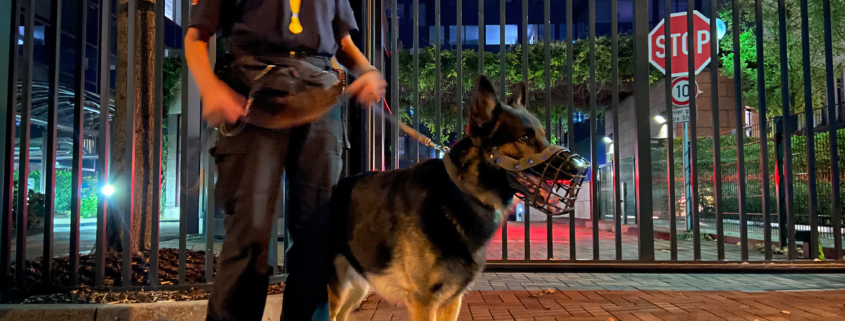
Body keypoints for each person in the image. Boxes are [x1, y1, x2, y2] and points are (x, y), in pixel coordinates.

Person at [183, 0, 386, 319]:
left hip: (320, 101)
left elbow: (343, 43)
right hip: (251, 98)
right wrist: (211, 88)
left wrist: (368, 71)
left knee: (316, 234)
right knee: (249, 233)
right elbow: (196, 37)